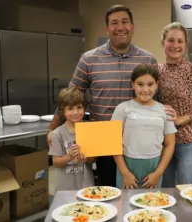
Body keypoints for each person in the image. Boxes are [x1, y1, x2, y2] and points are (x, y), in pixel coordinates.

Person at [46, 5, 158, 187]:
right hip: (102, 136)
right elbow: (70, 97)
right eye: (114, 23)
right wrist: (52, 129)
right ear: (107, 29)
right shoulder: (89, 59)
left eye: (124, 22)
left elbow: (155, 99)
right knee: (109, 189)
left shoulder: (148, 59)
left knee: (137, 190)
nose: (120, 27)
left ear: (132, 27)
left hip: (137, 135)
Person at [158, 22, 192, 187]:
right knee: (165, 190)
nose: (175, 45)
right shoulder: (155, 70)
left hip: (188, 141)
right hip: (162, 141)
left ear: (185, 45)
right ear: (163, 43)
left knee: (186, 189)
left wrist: (180, 120)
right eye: (171, 40)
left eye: (180, 41)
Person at [111, 64, 176, 189]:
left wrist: (158, 173)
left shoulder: (164, 110)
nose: (145, 89)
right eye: (140, 84)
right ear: (133, 84)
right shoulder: (122, 109)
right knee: (126, 205)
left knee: (151, 205)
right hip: (127, 166)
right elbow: (114, 143)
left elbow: (170, 144)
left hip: (154, 166)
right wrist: (125, 173)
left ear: (157, 84)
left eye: (150, 84)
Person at [48, 87, 96, 192]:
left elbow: (93, 159)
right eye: (70, 108)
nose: (75, 112)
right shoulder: (57, 134)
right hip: (65, 187)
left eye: (79, 107)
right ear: (63, 111)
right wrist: (69, 156)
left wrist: (87, 159)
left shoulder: (89, 130)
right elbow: (56, 162)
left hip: (86, 185)